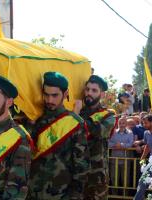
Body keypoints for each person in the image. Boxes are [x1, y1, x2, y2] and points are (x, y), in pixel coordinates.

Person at [27, 72, 90, 200]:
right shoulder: (34, 120)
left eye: (55, 95)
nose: (49, 100)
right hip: (33, 193)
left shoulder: (74, 123)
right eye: (46, 95)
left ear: (65, 94)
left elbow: (82, 166)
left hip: (62, 194)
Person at [75, 75, 116, 200]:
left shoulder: (108, 116)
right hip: (76, 172)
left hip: (96, 175)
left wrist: (75, 115)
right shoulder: (77, 111)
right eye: (87, 89)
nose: (89, 93)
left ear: (102, 94)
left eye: (94, 90)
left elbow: (96, 131)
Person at [134, 115, 152, 200]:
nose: (144, 125)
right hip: (151, 163)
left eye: (145, 123)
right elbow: (147, 146)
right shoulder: (146, 133)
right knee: (142, 182)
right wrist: (142, 159)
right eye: (143, 123)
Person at [108, 117, 133, 195]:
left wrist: (121, 145)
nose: (121, 125)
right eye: (120, 123)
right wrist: (116, 145)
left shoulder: (130, 133)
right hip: (114, 160)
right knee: (114, 179)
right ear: (117, 124)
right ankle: (114, 196)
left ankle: (125, 195)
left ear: (126, 124)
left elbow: (130, 144)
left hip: (125, 160)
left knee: (125, 180)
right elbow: (108, 143)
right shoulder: (113, 132)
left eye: (123, 123)